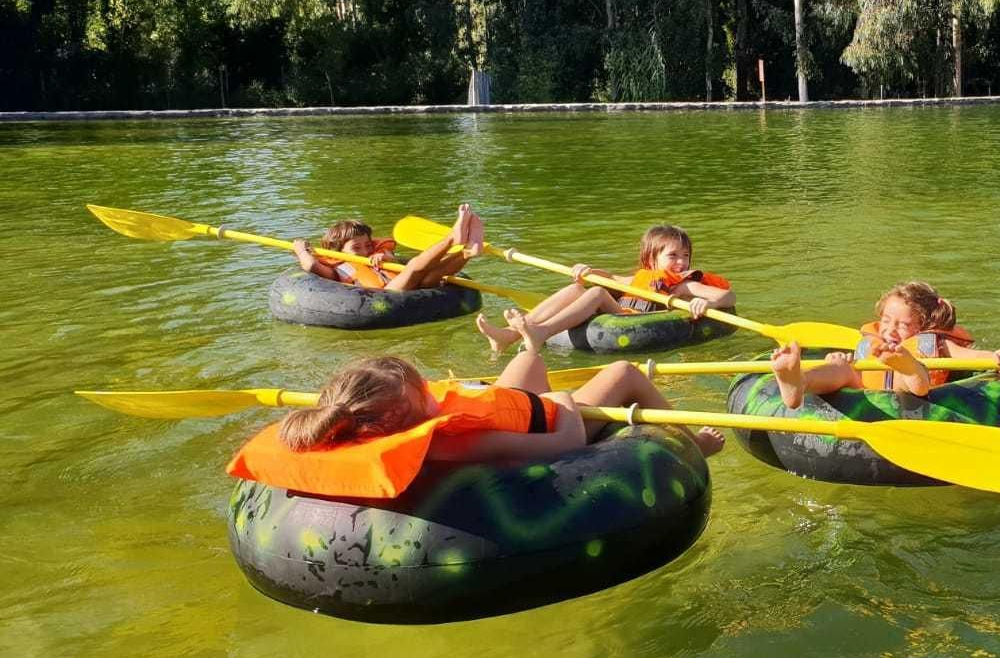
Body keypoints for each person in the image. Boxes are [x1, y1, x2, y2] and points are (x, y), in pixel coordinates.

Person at [228, 310, 723, 500]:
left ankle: (528, 342)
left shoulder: (387, 425)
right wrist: (565, 401)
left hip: (517, 405)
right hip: (551, 421)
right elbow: (566, 442)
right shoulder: (458, 441)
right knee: (623, 374)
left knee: (528, 364)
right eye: (424, 386)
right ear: (417, 406)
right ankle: (692, 441)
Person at [475, 224, 736, 354]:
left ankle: (539, 333)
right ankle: (510, 335)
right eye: (673, 256)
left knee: (597, 294)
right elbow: (610, 278)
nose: (681, 262)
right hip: (623, 313)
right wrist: (586, 271)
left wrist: (707, 303)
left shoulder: (683, 283)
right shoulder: (642, 277)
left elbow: (727, 296)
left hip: (639, 322)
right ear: (651, 260)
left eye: (686, 255)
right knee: (580, 289)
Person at [770, 280, 1000, 409]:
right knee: (843, 370)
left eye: (902, 325)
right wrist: (840, 360)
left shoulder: (936, 343)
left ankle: (907, 366)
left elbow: (970, 357)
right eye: (886, 320)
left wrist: (997, 357)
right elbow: (856, 366)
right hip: (867, 386)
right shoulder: (874, 340)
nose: (889, 329)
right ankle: (797, 382)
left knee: (911, 378)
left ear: (924, 327)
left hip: (912, 391)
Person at [291, 203, 483, 292]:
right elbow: (310, 267)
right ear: (338, 250)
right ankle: (452, 239)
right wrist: (301, 250)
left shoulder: (379, 253)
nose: (366, 251)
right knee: (415, 267)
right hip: (385, 294)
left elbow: (398, 265)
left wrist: (389, 260)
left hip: (407, 288)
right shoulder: (335, 268)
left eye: (368, 245)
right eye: (357, 248)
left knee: (434, 274)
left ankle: (467, 251)